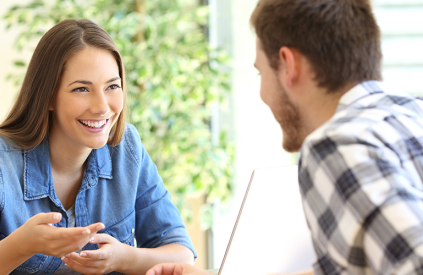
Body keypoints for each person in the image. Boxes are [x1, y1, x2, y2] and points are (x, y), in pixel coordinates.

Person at [147, 0, 423, 274]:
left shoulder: (336, 146)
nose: (262, 93)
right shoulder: (412, 112)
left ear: (288, 65)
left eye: (261, 71)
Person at [0, 18, 196, 275]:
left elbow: (182, 255)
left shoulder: (126, 148)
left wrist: (123, 258)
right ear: (48, 96)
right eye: (82, 89)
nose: (101, 107)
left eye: (112, 86)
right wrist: (22, 245)